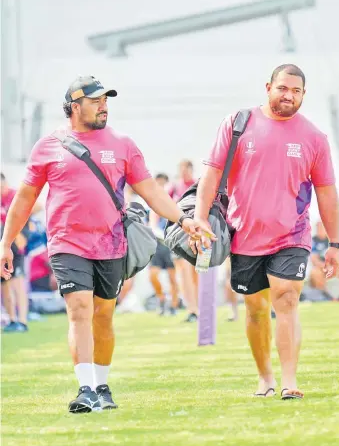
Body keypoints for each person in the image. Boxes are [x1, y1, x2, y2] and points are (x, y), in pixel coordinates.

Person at [0, 75, 215, 414]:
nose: (104, 106)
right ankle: (85, 389)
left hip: (112, 244)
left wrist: (184, 220)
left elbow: (151, 192)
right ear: (74, 106)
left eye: (106, 100)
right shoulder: (48, 146)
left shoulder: (123, 144)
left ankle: (101, 384)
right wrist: (6, 242)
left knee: (103, 315)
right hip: (67, 243)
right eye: (96, 100)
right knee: (80, 308)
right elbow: (25, 198)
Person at [191, 64, 339, 399]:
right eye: (283, 88)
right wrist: (200, 217)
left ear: (304, 95)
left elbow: (327, 192)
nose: (289, 96)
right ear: (268, 87)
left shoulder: (314, 137)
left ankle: (290, 382)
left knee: (286, 297)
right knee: (256, 309)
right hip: (244, 234)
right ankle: (265, 377)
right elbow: (212, 174)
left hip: (292, 234)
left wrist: (334, 242)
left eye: (296, 91)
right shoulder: (238, 124)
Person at [169, 160, 199, 322]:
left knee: (196, 274)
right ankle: (191, 309)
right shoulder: (174, 187)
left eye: (186, 169)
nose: (183, 172)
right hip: (179, 234)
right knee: (183, 272)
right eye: (181, 169)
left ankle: (197, 307)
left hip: (196, 233)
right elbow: (161, 205)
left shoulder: (196, 184)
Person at [1, 173, 30, 333]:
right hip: (3, 248)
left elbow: (34, 206)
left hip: (16, 246)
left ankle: (23, 321)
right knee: (5, 285)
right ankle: (12, 320)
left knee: (17, 284)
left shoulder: (14, 195)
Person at [148, 173, 179, 316]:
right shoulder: (151, 202)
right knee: (153, 275)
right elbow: (152, 224)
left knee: (173, 278)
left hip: (170, 243)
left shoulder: (173, 202)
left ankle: (173, 305)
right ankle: (161, 299)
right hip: (157, 243)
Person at [310, 221, 339, 301]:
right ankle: (328, 297)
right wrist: (326, 266)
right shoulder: (314, 241)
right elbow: (314, 259)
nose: (320, 230)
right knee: (315, 273)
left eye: (322, 227)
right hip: (323, 267)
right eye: (318, 228)